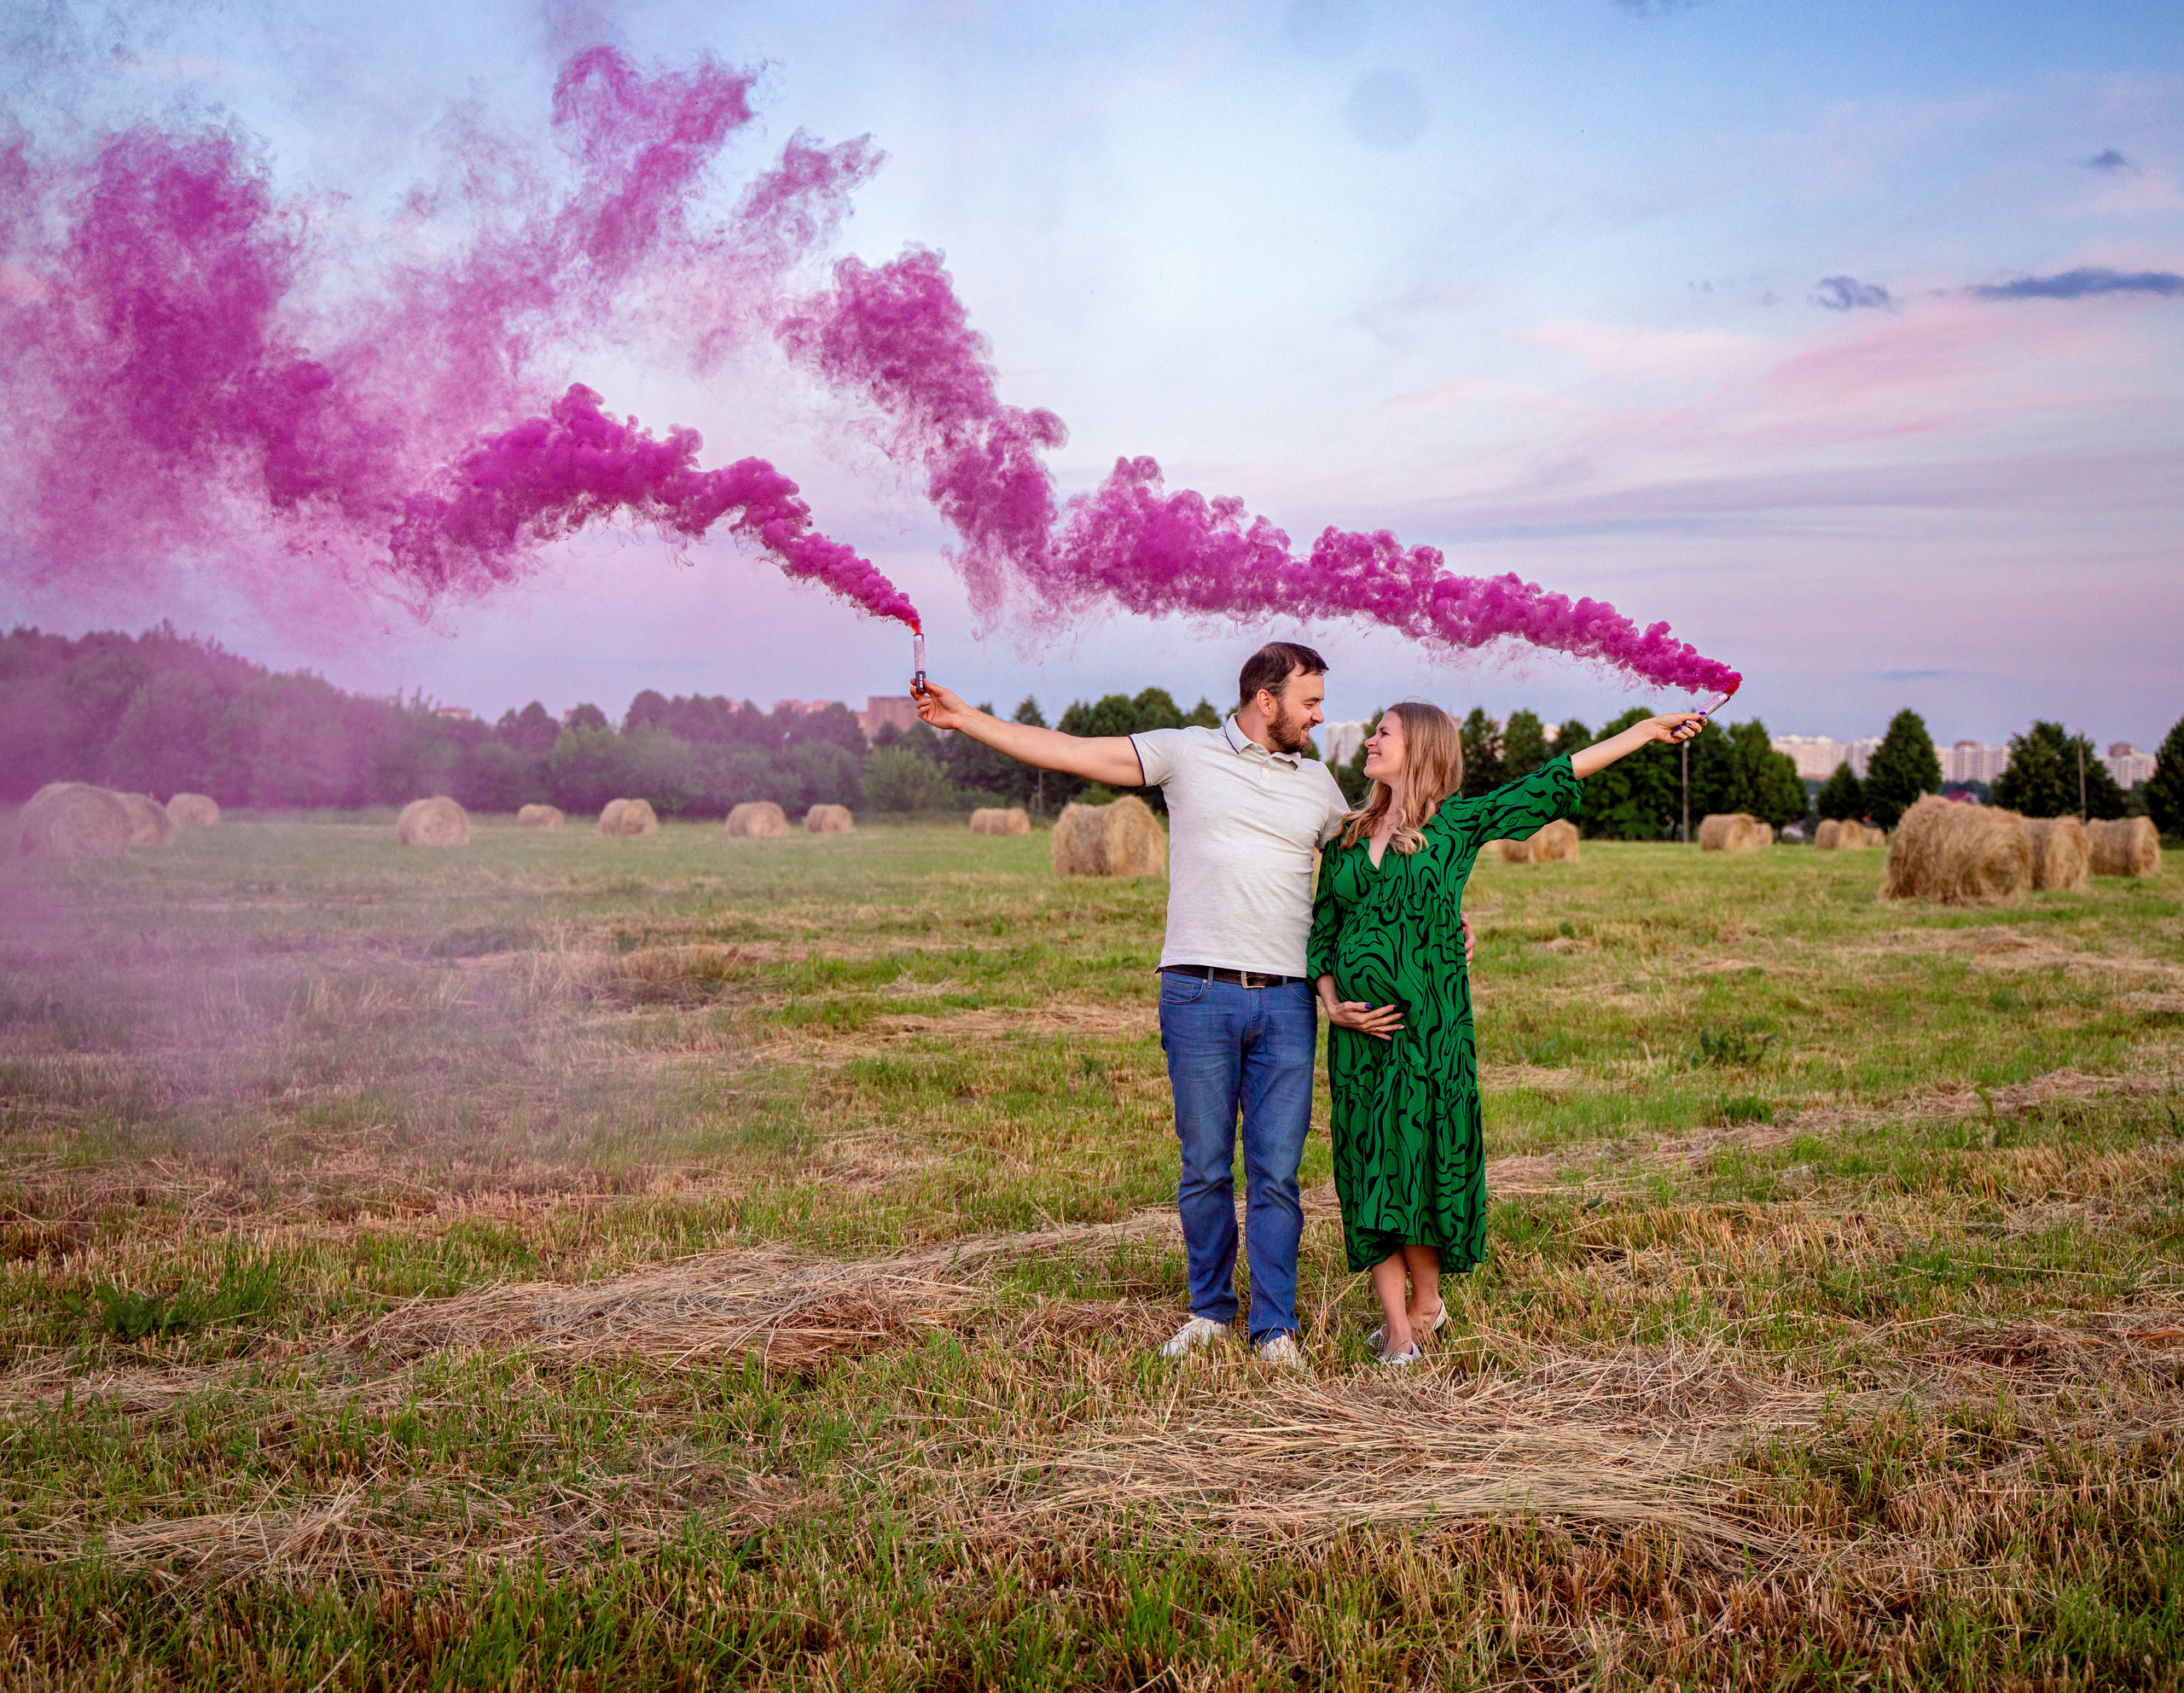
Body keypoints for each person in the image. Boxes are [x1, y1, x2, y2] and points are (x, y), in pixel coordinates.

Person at [913, 643, 1468, 1368]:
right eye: (1310, 702)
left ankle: (1275, 1327)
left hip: (1289, 1001)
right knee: (1205, 1166)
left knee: (1276, 1172)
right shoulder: (1186, 753)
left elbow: (1383, 857)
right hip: (1197, 992)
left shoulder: (1319, 785)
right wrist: (967, 720)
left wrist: (1442, 918)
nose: (1320, 716)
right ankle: (1209, 1311)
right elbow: (1068, 752)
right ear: (1266, 701)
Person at [1309, 701, 1705, 1364]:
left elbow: (1549, 780)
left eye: (1385, 733)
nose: (1371, 741)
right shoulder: (1345, 836)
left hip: (1430, 1034)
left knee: (1421, 1163)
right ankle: (1398, 1330)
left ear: (1422, 750)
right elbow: (1322, 932)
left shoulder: (1456, 825)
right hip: (1358, 1041)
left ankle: (1426, 1305)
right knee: (1369, 1166)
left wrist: (1641, 732)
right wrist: (1332, 1004)